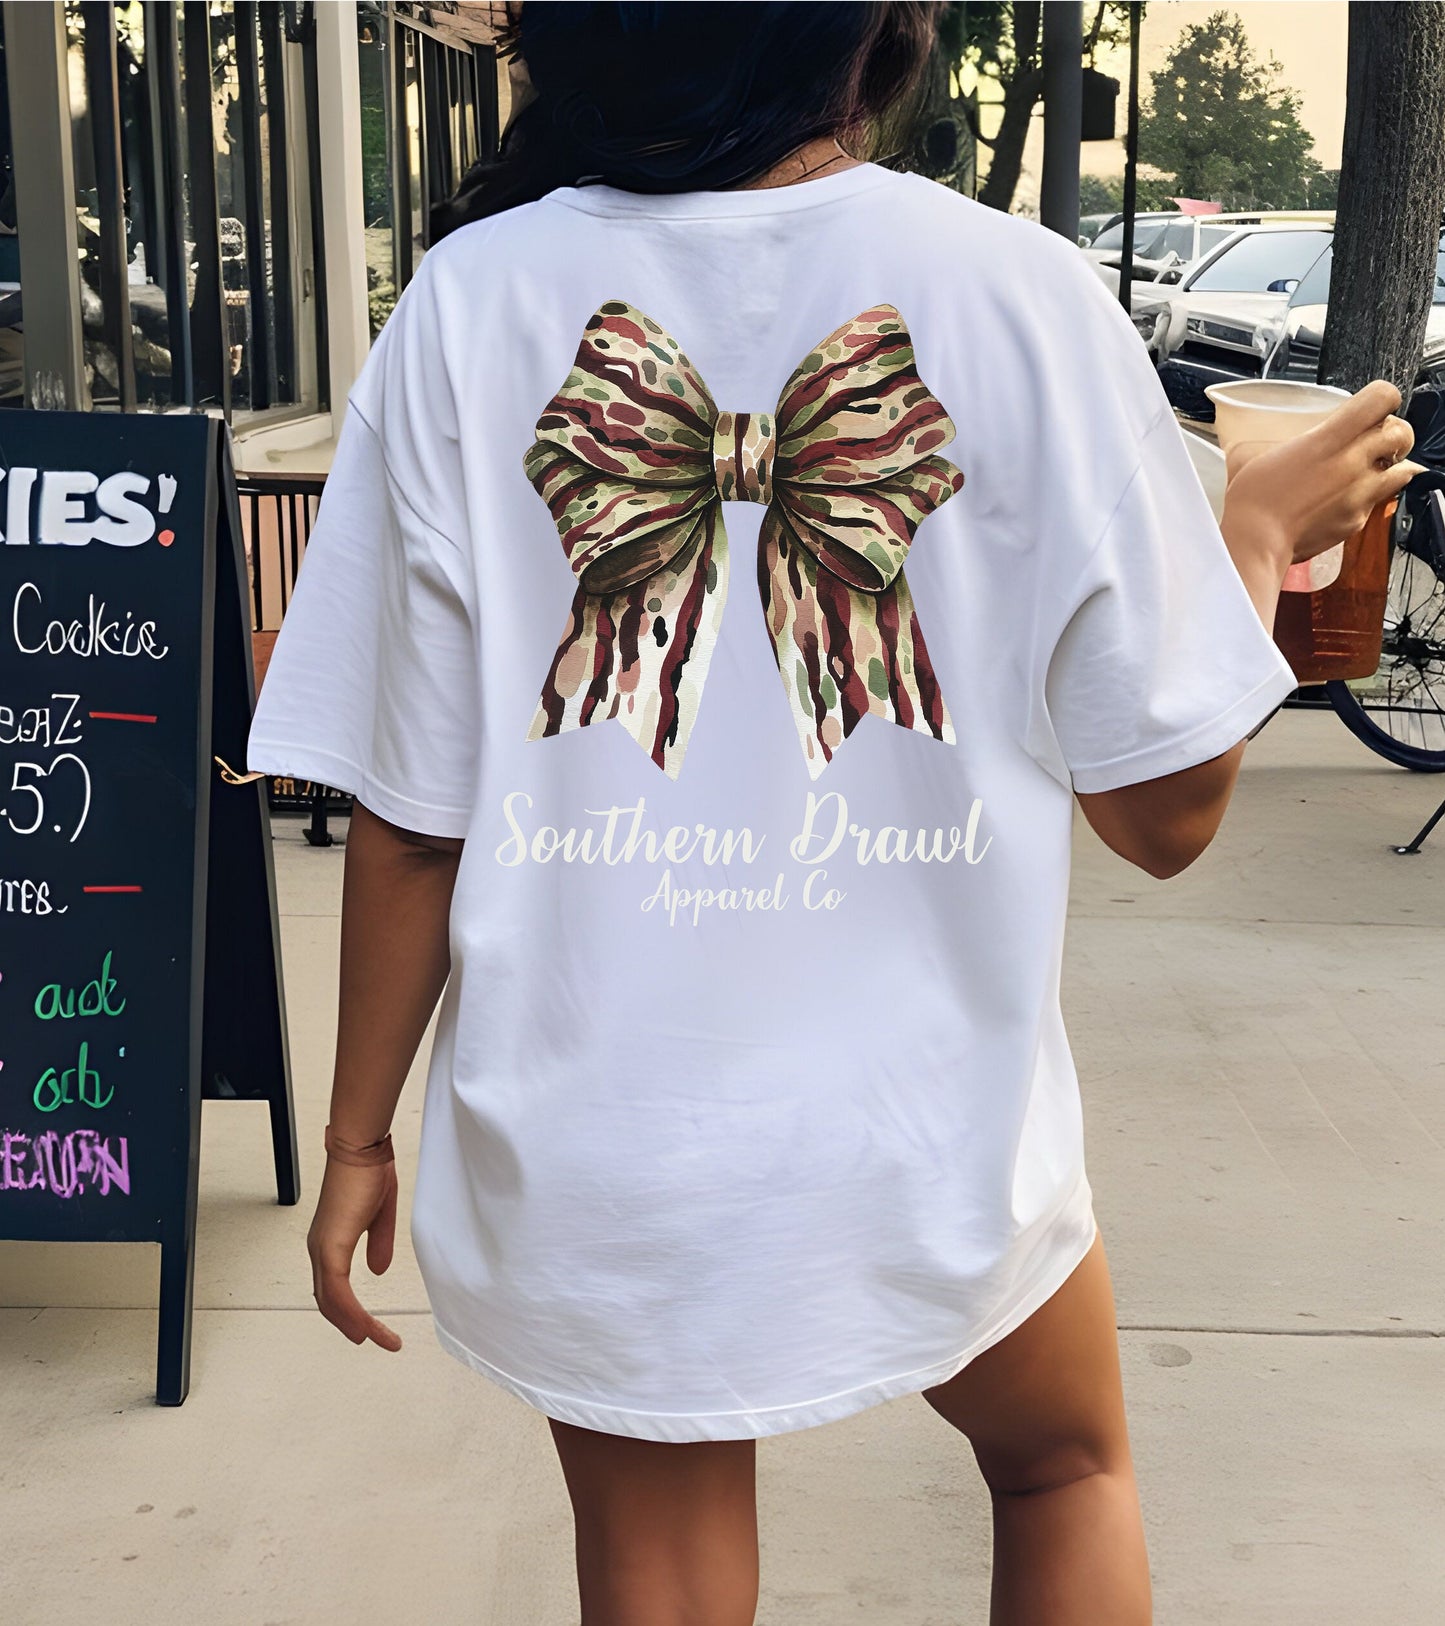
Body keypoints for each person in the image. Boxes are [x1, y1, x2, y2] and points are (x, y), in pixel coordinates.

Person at [245, 5, 1422, 1622]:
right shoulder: (1019, 294)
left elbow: (412, 814)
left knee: (658, 1581)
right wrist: (1254, 541)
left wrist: (358, 1135)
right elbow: (1164, 811)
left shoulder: (466, 300)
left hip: (603, 1139)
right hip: (921, 1130)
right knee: (1062, 1470)